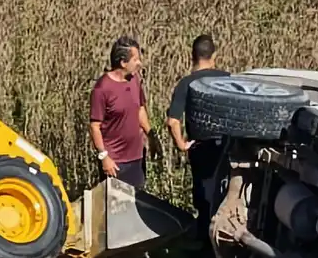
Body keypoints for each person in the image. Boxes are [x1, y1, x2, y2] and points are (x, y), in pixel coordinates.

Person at [166, 34, 230, 244]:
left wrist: (182, 145)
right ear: (214, 55)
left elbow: (172, 121)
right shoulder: (229, 80)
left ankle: (204, 244)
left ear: (192, 56)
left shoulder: (186, 83)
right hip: (227, 149)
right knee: (224, 196)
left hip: (200, 149)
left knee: (203, 197)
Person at [89, 36, 152, 190]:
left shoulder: (135, 80)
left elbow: (140, 109)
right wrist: (104, 157)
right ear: (123, 63)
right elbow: (94, 127)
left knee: (137, 205)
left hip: (137, 158)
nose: (139, 63)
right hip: (115, 163)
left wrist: (151, 134)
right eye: (135, 59)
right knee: (116, 209)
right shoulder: (102, 89)